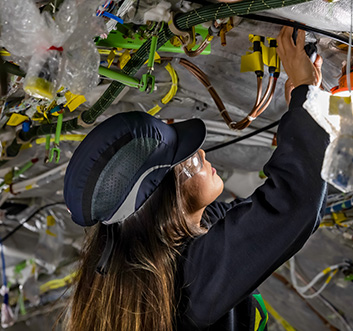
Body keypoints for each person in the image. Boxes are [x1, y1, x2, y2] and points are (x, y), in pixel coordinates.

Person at [62, 26, 328, 331]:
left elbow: (279, 212)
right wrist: (307, 93)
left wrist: (304, 107)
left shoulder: (152, 254)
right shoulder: (188, 279)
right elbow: (294, 202)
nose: (200, 154)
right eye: (186, 159)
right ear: (165, 200)